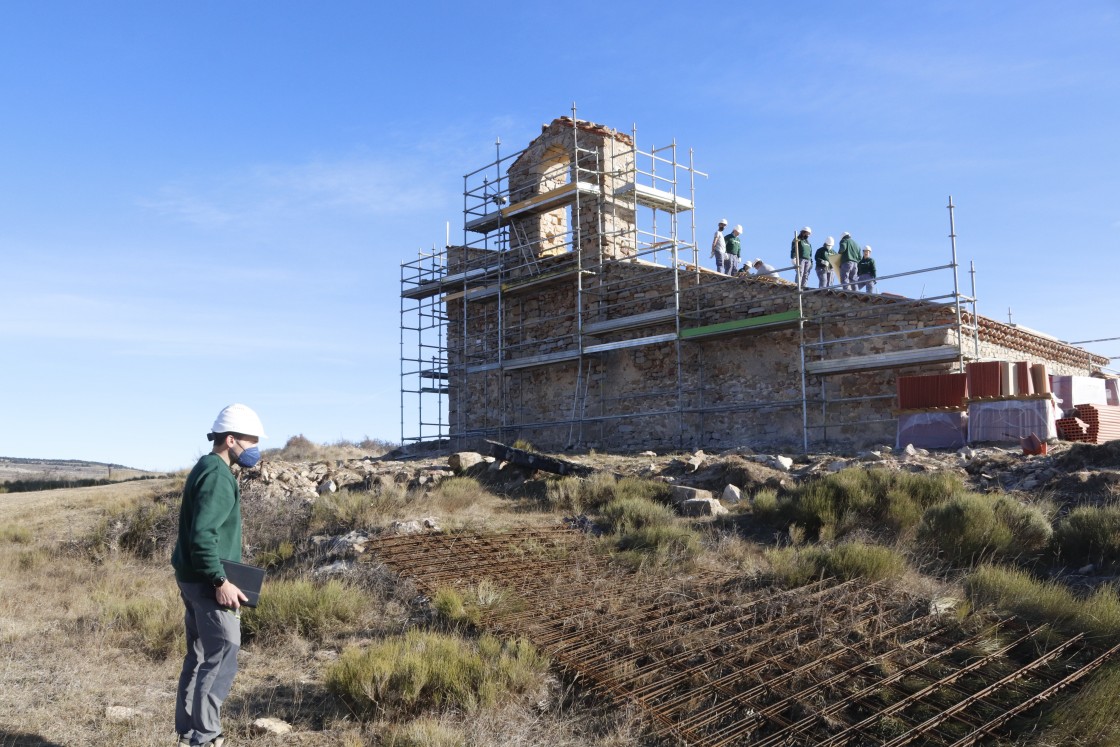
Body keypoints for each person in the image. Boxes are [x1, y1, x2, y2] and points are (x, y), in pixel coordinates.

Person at [172, 403, 267, 747]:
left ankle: (187, 733)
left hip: (191, 577)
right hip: (207, 581)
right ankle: (206, 736)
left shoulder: (205, 467)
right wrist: (219, 581)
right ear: (230, 440)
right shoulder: (218, 476)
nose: (255, 451)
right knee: (224, 650)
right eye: (250, 442)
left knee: (198, 656)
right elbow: (203, 536)